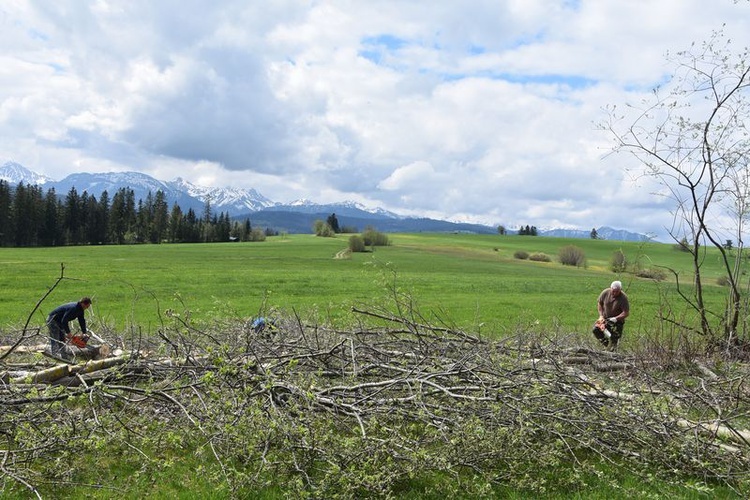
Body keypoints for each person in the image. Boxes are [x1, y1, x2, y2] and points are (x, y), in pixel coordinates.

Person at [592, 281, 629, 349]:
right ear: (610, 288)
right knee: (596, 330)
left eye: (617, 291)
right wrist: (601, 315)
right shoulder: (605, 292)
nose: (614, 293)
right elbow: (600, 303)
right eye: (613, 291)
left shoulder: (623, 298)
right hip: (605, 319)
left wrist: (615, 319)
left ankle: (613, 350)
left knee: (614, 337)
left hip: (617, 321)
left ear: (620, 290)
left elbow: (626, 313)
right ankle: (606, 345)